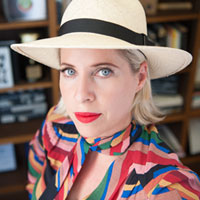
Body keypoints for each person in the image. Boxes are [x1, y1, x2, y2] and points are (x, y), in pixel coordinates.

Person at [11, 0, 200, 199]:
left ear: (141, 77)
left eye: (104, 71)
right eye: (69, 71)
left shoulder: (161, 188)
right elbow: (33, 186)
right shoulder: (54, 129)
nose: (81, 95)